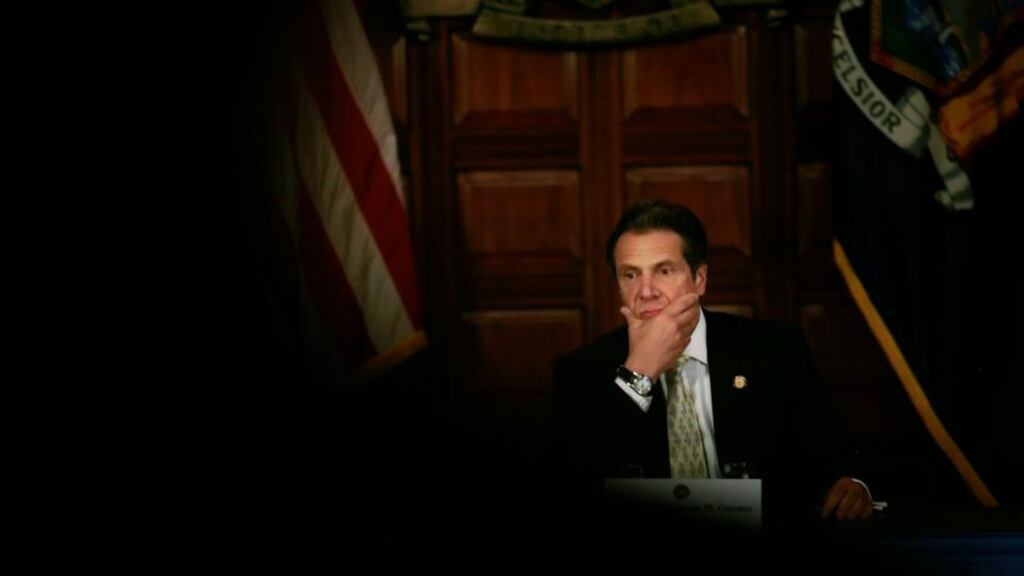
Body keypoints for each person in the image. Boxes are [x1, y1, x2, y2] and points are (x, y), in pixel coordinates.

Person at [554, 199, 874, 529]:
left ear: (700, 279)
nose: (646, 291)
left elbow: (836, 454)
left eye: (664, 271)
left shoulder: (775, 350)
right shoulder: (580, 372)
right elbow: (577, 487)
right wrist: (638, 375)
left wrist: (852, 482)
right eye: (630, 275)